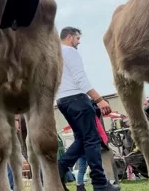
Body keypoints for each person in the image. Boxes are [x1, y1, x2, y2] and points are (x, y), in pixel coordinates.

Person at [55, 27, 120, 191]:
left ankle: (58, 170)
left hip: (62, 101)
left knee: (81, 140)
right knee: (92, 139)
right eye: (77, 39)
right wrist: (99, 100)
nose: (78, 43)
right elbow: (80, 78)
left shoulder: (54, 55)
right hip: (77, 99)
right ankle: (99, 183)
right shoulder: (70, 52)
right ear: (69, 37)